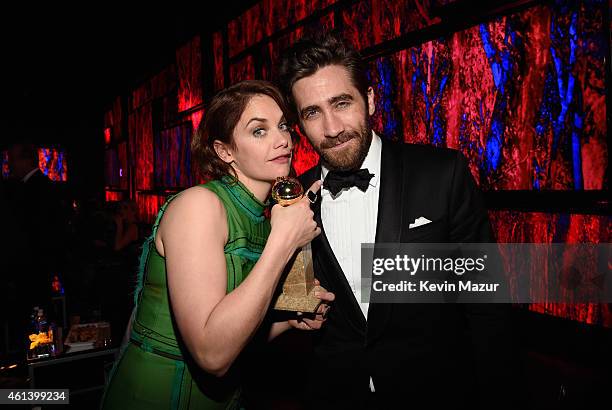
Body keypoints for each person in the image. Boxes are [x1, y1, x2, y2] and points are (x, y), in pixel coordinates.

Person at [278, 32, 522, 409]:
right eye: (312, 113)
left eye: (342, 103)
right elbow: (299, 297)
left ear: (371, 99)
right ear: (299, 123)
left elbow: (487, 305)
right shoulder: (292, 203)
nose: (331, 128)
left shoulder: (443, 173)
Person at [101, 80, 334, 409]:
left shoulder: (265, 218)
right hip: (157, 395)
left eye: (283, 126)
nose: (282, 139)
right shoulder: (199, 205)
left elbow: (235, 334)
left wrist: (285, 322)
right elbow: (211, 353)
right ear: (225, 151)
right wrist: (283, 242)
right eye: (258, 131)